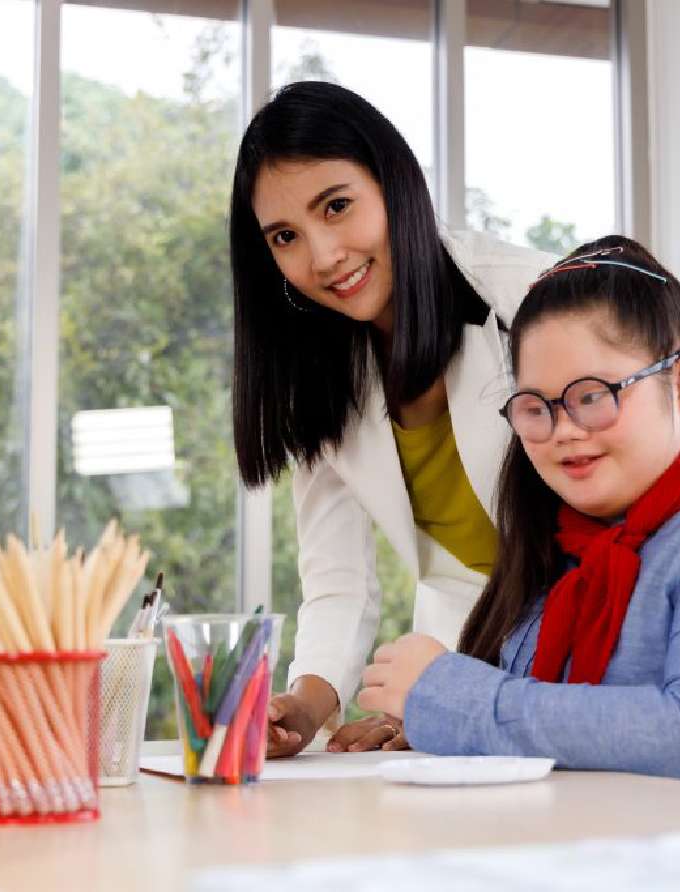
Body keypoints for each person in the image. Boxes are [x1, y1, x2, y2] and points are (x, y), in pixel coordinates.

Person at [356, 236, 680, 785]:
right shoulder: (568, 548)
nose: (563, 432)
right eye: (536, 408)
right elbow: (555, 729)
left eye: (592, 396)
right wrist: (437, 722)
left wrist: (453, 700)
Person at [230, 81, 551, 757]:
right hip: (464, 656)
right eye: (286, 236)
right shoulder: (321, 377)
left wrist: (459, 700)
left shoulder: (532, 302)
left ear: (394, 182)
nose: (323, 256)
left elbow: (611, 538)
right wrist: (306, 705)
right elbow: (338, 579)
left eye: (338, 206)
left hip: (589, 660)